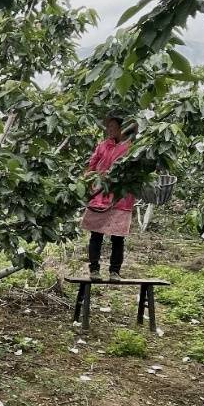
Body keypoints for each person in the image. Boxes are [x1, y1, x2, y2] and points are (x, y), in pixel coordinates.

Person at [80, 112, 135, 280]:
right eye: (108, 127)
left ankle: (114, 272)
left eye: (113, 127)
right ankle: (94, 270)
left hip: (121, 198)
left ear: (121, 129)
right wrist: (85, 184)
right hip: (100, 195)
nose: (110, 130)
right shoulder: (103, 145)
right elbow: (92, 166)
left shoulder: (130, 147)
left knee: (117, 238)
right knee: (96, 235)